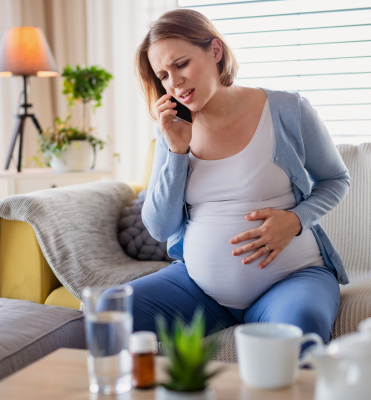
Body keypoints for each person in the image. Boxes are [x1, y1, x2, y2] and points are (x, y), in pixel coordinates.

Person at [129, 8, 350, 345]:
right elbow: (160, 227)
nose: (174, 83)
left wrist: (295, 219)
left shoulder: (288, 109)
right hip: (199, 290)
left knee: (300, 327)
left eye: (181, 64)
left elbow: (336, 179)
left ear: (215, 51)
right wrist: (176, 152)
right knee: (111, 310)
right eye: (163, 75)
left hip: (292, 278)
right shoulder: (171, 131)